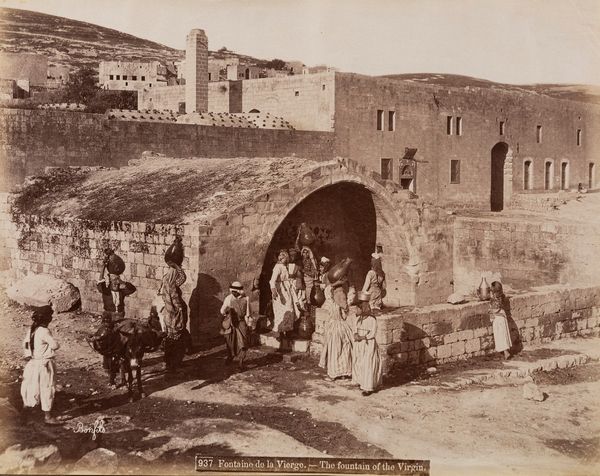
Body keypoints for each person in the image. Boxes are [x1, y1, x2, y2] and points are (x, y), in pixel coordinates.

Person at [21, 305, 60, 424]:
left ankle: (24, 415)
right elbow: (55, 346)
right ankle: (48, 417)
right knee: (47, 387)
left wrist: (30, 353)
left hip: (33, 363)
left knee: (31, 387)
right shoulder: (44, 331)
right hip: (44, 364)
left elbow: (26, 344)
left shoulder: (32, 329)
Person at [96, 261, 136, 372]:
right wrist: (103, 267)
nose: (115, 284)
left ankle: (123, 364)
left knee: (124, 340)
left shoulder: (122, 291)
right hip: (109, 318)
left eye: (117, 282)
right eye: (113, 281)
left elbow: (132, 289)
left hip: (120, 317)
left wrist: (121, 281)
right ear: (110, 282)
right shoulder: (106, 291)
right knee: (108, 340)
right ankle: (108, 366)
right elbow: (100, 282)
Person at [319, 272, 353, 381]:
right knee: (344, 348)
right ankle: (344, 372)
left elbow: (328, 291)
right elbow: (346, 308)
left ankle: (334, 374)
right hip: (342, 326)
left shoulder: (333, 299)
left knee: (335, 349)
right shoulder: (342, 298)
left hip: (335, 326)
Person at [158, 260, 189, 373]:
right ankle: (174, 364)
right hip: (175, 317)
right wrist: (180, 309)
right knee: (177, 342)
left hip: (168, 315)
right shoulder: (172, 286)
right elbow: (176, 300)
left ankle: (167, 362)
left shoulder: (166, 279)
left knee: (169, 339)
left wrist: (174, 266)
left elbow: (181, 278)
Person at [352, 292, 382, 396]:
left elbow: (373, 333)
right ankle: (361, 381)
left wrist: (363, 337)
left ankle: (368, 387)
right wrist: (355, 334)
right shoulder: (358, 319)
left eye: (358, 308)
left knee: (368, 364)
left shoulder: (372, 320)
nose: (356, 310)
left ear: (363, 308)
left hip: (368, 344)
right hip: (359, 344)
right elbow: (354, 328)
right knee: (359, 362)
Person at [220, 281, 250, 370]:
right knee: (230, 342)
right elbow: (222, 310)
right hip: (230, 324)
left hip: (241, 323)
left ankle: (241, 362)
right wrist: (226, 312)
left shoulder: (246, 299)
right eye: (233, 291)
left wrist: (248, 323)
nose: (233, 293)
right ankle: (230, 356)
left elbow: (248, 312)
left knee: (243, 343)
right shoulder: (228, 298)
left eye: (235, 291)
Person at [269, 250, 297, 340]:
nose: (281, 258)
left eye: (283, 256)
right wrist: (274, 291)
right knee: (280, 312)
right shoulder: (277, 267)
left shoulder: (285, 267)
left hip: (286, 290)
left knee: (289, 309)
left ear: (287, 258)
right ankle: (280, 333)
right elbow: (272, 280)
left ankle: (288, 331)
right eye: (280, 256)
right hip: (280, 291)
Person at [489, 281, 512, 360]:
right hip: (502, 315)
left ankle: (506, 352)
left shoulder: (495, 298)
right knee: (504, 333)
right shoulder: (501, 296)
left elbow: (496, 309)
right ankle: (506, 351)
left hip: (498, 318)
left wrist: (491, 311)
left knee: (500, 335)